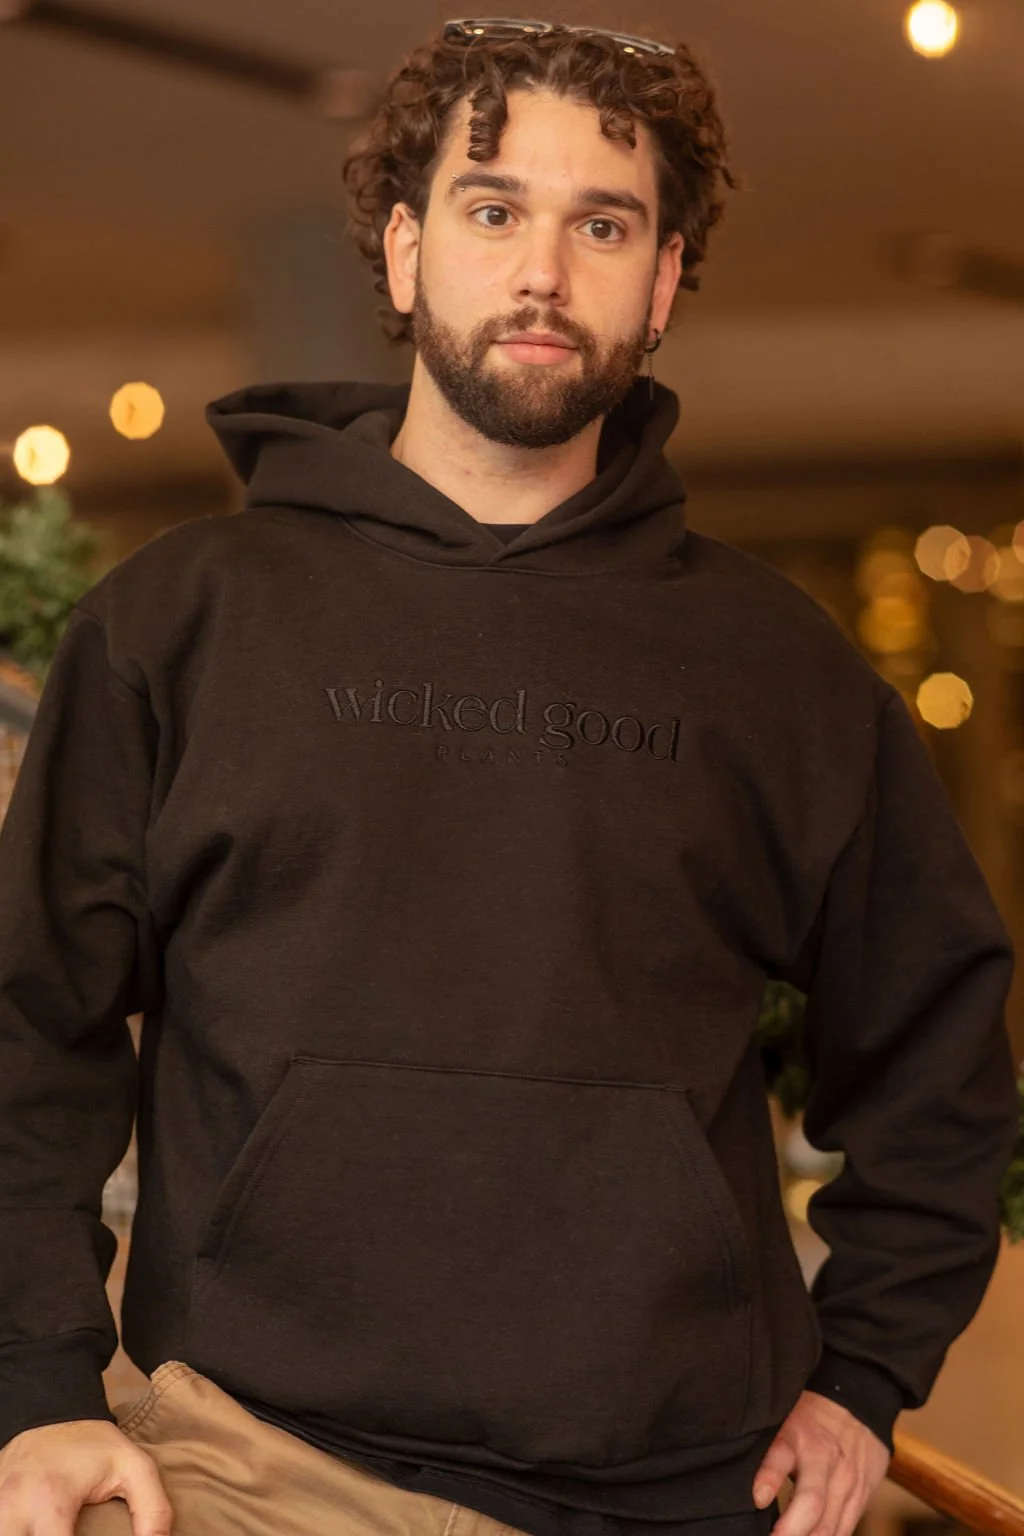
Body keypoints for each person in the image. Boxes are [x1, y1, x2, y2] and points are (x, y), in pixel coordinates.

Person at [0, 15, 1018, 1536]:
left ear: (661, 282)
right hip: (255, 1471)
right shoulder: (182, 624)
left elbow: (939, 1048)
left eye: (602, 226)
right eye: (493, 212)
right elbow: (28, 1028)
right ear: (406, 254)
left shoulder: (779, 671)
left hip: (682, 1492)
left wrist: (867, 1369)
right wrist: (38, 1386)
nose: (543, 272)